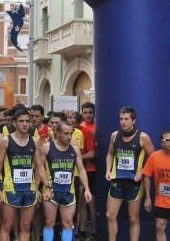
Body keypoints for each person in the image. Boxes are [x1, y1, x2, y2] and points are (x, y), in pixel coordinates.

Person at [0, 108, 49, 241]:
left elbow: (39, 165)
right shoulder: (6, 141)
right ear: (14, 123)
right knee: (7, 226)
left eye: (27, 121)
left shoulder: (34, 141)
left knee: (25, 226)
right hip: (10, 188)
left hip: (28, 189)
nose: (25, 124)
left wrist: (47, 185)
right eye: (21, 121)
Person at [105, 106, 155, 241]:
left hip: (135, 183)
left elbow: (154, 158)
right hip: (117, 181)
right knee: (110, 215)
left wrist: (142, 171)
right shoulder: (114, 135)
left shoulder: (143, 137)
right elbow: (110, 154)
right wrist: (108, 170)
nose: (123, 122)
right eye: (121, 119)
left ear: (134, 121)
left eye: (126, 119)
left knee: (133, 218)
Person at [41, 121, 93, 241]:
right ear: (57, 133)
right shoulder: (47, 147)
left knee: (68, 222)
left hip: (68, 192)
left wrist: (87, 189)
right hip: (51, 190)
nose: (69, 137)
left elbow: (81, 170)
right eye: (66, 133)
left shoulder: (74, 149)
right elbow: (39, 167)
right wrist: (45, 186)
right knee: (49, 221)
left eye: (71, 133)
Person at [78, 102, 97, 239]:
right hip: (80, 170)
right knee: (82, 202)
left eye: (90, 112)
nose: (88, 115)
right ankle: (83, 230)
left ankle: (95, 231)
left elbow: (93, 152)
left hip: (92, 170)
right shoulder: (79, 128)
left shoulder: (97, 127)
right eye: (85, 112)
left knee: (91, 202)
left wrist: (77, 158)